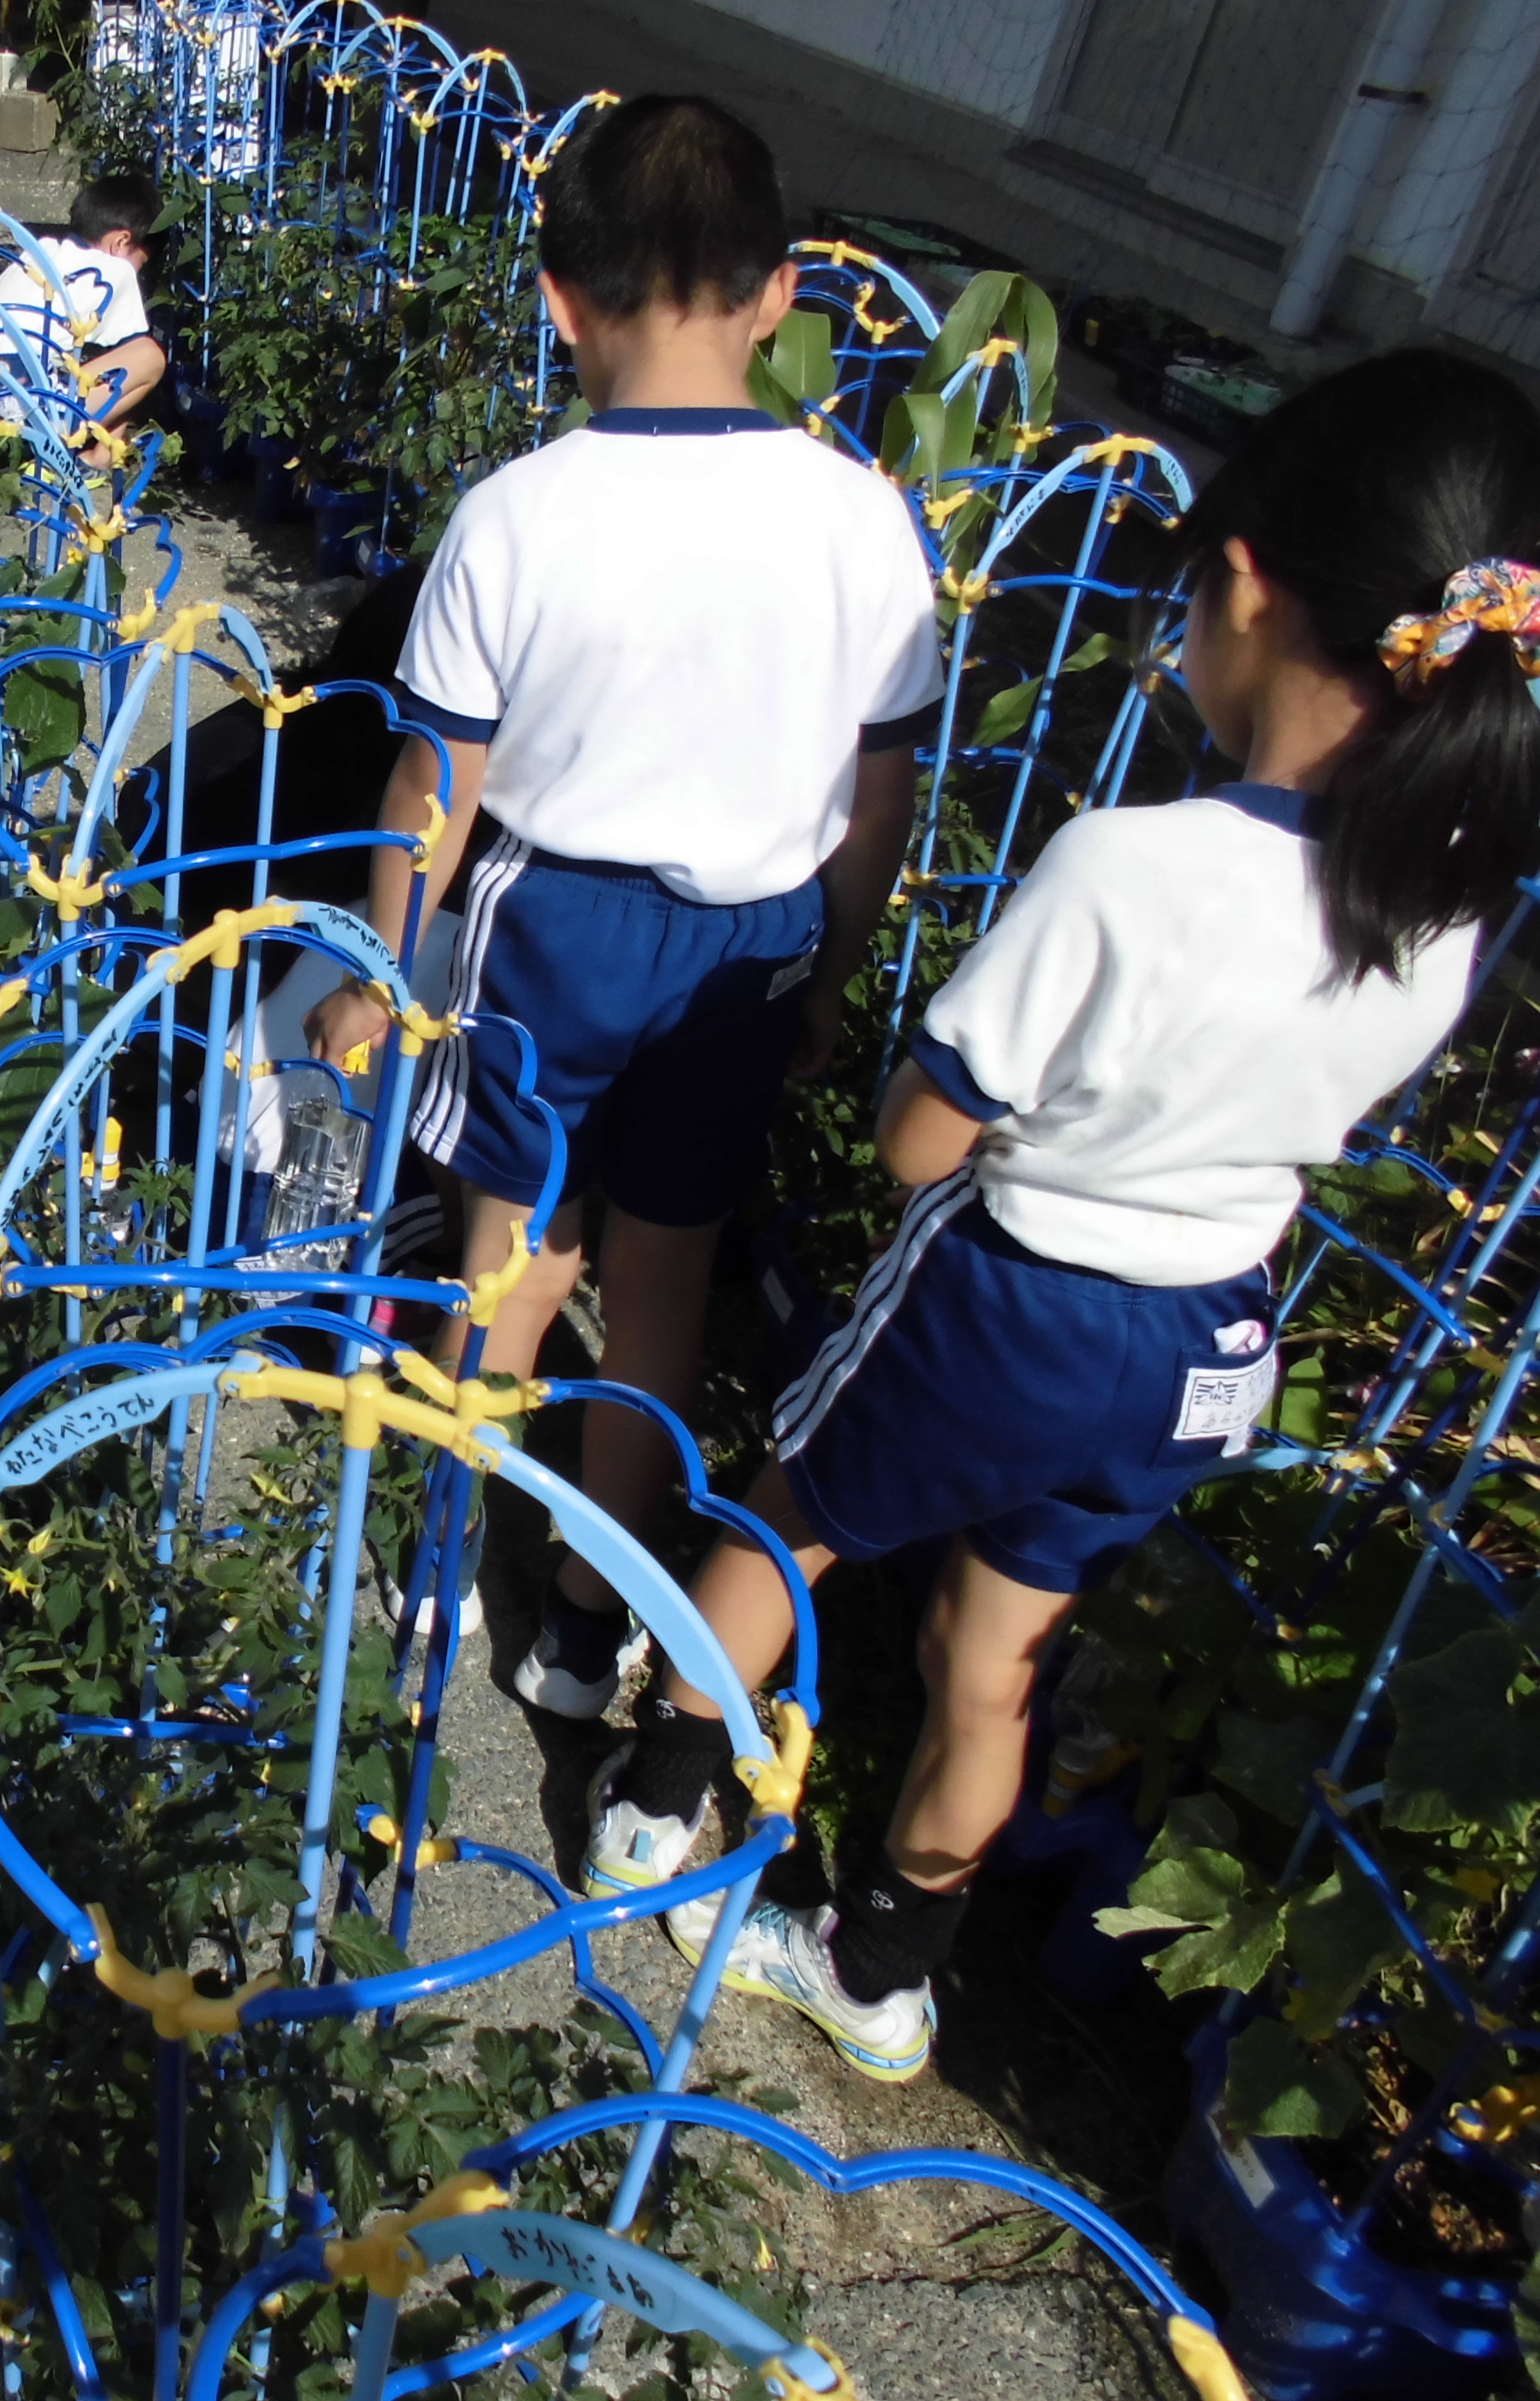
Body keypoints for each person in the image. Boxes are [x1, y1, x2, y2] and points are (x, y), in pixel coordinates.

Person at [578, 349, 1540, 2083]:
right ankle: (883, 1972)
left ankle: (648, 1808)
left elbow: (919, 1142)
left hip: (1015, 1300)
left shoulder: (1133, 865)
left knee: (790, 1518)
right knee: (997, 1655)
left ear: (1243, 586)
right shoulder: (1441, 918)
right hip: (1203, 1341)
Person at [302, 94, 942, 1717]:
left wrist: (384, 966)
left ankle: (440, 1570)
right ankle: (586, 1631)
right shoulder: (864, 519)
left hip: (553, 931)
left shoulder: (522, 511)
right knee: (660, 1286)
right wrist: (828, 975)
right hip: (753, 943)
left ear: (558, 300)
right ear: (778, 294)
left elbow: (433, 783)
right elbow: (879, 798)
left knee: (507, 1259)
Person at [0, 172, 170, 434]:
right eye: (141, 263)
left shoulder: (40, 250)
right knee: (148, 356)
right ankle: (99, 455)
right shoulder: (115, 269)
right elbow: (131, 352)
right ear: (121, 242)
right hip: (23, 399)